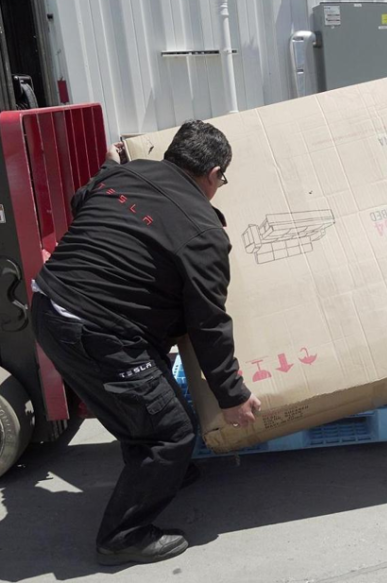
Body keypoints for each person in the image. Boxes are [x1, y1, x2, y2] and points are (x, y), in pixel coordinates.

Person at [32, 120, 262, 565]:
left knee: (146, 395)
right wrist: (231, 396)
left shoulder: (124, 174)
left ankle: (161, 475)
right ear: (214, 173)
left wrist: (108, 168)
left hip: (48, 303)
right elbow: (208, 323)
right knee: (172, 433)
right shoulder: (203, 232)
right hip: (94, 330)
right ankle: (123, 535)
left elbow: (83, 201)